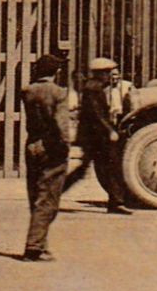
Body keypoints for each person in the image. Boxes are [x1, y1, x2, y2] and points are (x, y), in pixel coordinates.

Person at [63, 56, 133, 214]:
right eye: (107, 72)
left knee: (91, 170)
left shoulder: (95, 87)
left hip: (95, 136)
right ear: (100, 73)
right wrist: (110, 131)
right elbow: (96, 114)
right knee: (111, 167)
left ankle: (116, 202)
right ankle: (116, 202)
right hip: (96, 137)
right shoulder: (93, 88)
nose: (110, 75)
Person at [21, 53, 74, 261]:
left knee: (35, 196)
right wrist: (66, 146)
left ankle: (41, 244)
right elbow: (61, 125)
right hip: (51, 148)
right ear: (57, 72)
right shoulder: (59, 93)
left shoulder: (27, 91)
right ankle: (33, 247)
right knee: (48, 199)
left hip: (32, 144)